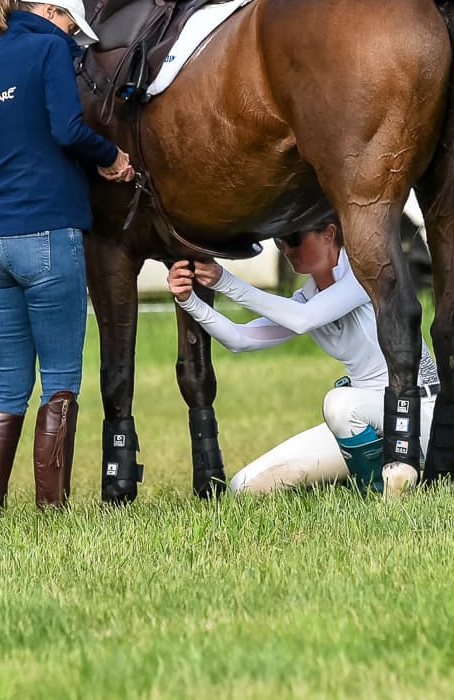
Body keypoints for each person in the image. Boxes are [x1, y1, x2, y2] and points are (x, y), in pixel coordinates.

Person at [0, 0, 133, 514]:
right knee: (60, 377)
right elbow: (65, 129)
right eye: (70, 24)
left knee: (10, 378)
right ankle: (51, 509)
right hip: (45, 230)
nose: (71, 36)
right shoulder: (49, 50)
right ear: (51, 12)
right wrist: (110, 156)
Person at [166, 211, 439, 493]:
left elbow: (303, 318)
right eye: (279, 241)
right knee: (244, 485)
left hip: (416, 416)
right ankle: (365, 469)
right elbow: (240, 339)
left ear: (329, 234)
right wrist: (189, 300)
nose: (287, 249)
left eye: (294, 238)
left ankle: (381, 493)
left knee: (338, 403)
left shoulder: (363, 274)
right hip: (360, 419)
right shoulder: (307, 298)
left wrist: (225, 282)